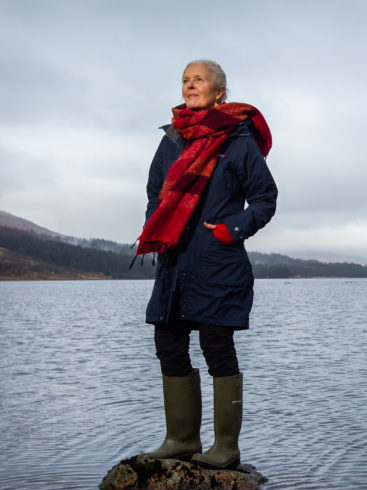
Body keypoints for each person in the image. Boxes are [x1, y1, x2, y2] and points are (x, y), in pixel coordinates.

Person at [134, 59, 277, 469]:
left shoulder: (237, 140)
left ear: (219, 93)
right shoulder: (172, 140)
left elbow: (265, 199)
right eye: (184, 79)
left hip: (217, 261)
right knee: (169, 344)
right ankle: (181, 440)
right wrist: (155, 228)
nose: (189, 85)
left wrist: (230, 230)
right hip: (174, 260)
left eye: (198, 79)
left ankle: (226, 449)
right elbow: (154, 193)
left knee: (217, 346)